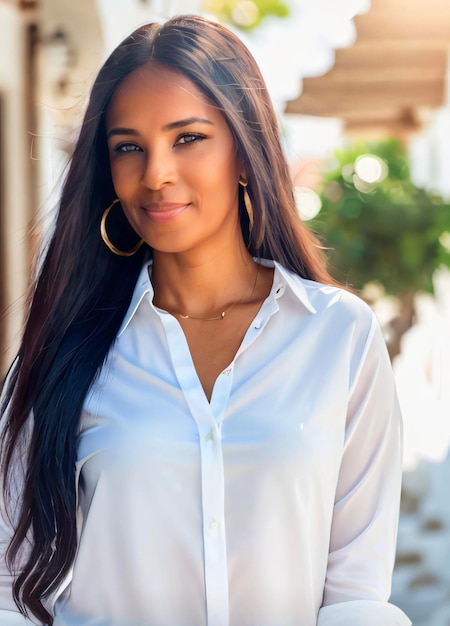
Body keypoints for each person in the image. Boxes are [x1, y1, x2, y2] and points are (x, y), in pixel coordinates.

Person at [0, 14, 411, 626]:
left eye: (187, 138)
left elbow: (356, 595)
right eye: (128, 147)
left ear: (245, 152)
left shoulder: (338, 336)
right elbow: (11, 582)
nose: (156, 173)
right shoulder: (66, 353)